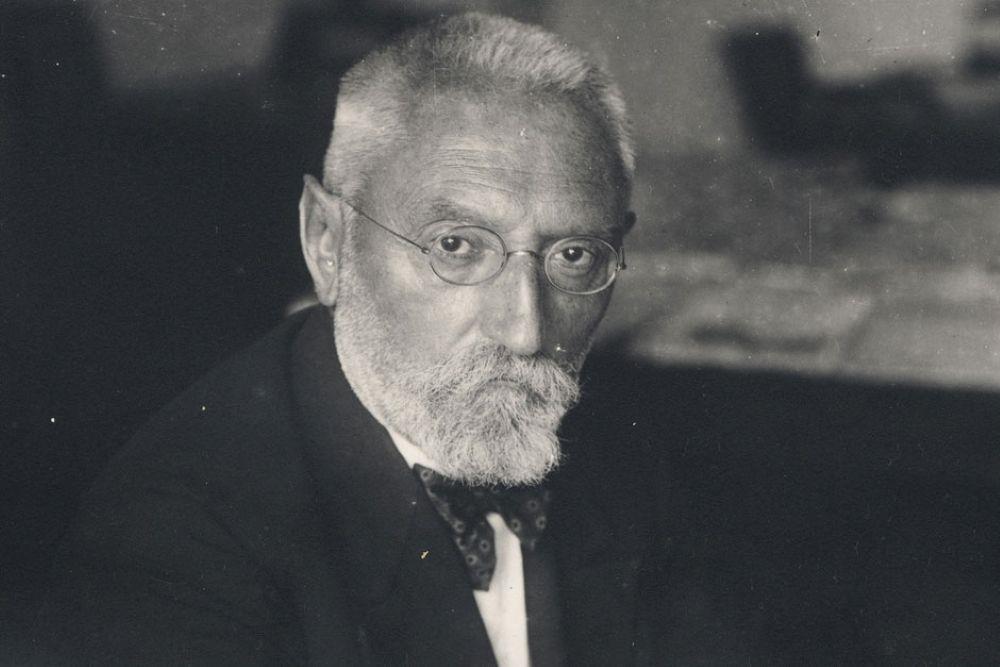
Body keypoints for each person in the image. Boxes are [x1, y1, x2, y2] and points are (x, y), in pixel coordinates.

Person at [33, 12, 654, 665]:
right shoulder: (180, 541)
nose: (526, 331)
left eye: (575, 255)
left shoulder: (635, 457)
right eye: (456, 246)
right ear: (327, 241)